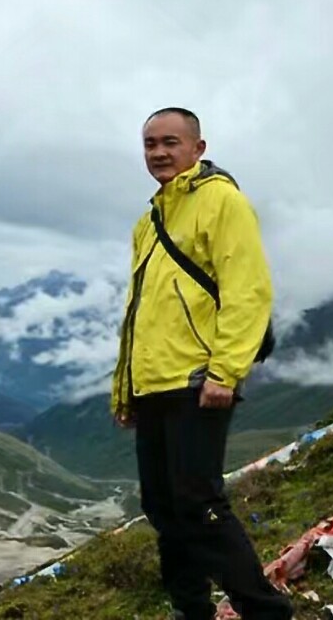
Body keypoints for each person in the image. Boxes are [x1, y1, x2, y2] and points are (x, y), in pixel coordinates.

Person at [111, 108, 293, 620]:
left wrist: (225, 372)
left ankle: (266, 613)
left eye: (170, 142)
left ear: (198, 147)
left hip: (198, 380)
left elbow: (247, 291)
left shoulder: (222, 201)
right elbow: (139, 312)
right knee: (163, 508)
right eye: (150, 144)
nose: (158, 152)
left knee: (199, 504)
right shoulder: (149, 221)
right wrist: (126, 389)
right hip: (153, 385)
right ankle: (190, 611)